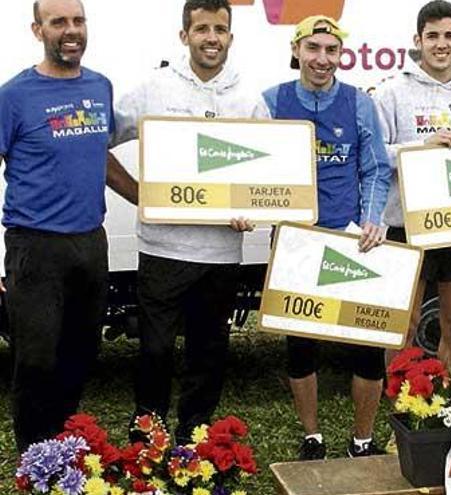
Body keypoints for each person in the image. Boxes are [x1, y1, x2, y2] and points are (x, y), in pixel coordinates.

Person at [107, 0, 260, 444]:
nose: (211, 37)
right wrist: (141, 196)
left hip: (220, 251)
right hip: (162, 248)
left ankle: (195, 435)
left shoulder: (247, 97)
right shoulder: (154, 89)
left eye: (220, 29)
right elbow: (99, 144)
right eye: (202, 29)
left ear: (230, 36)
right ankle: (146, 436)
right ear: (184, 36)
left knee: (208, 352)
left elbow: (271, 174)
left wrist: (253, 206)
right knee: (155, 350)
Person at [258, 15, 391, 459]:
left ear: (341, 55)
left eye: (331, 50)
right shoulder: (272, 100)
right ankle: (312, 435)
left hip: (351, 240)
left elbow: (375, 168)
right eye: (313, 48)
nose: (322, 59)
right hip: (296, 241)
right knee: (301, 348)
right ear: (297, 50)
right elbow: (252, 171)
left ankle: (362, 439)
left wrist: (372, 218)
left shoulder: (357, 102)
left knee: (368, 349)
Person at [0, 0, 130, 451]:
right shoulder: (13, 96)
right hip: (34, 247)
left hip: (90, 243)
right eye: (58, 22)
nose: (70, 30)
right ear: (38, 30)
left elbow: (99, 156)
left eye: (78, 20)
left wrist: (148, 198)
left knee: (80, 353)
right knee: (36, 360)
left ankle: (66, 445)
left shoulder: (100, 87)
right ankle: (35, 460)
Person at [373, 0, 451, 370]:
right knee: (404, 323)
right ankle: (399, 398)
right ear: (418, 40)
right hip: (406, 224)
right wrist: (419, 149)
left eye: (449, 36)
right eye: (432, 36)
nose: (441, 44)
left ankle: (446, 401)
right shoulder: (392, 92)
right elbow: (376, 155)